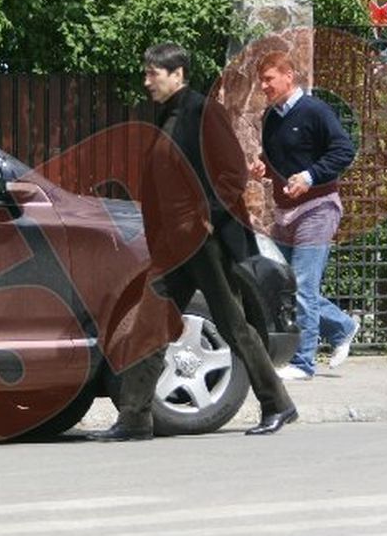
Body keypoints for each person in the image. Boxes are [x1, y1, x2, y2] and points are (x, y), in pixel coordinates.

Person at [88, 43, 298, 441]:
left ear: (178, 74)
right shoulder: (168, 114)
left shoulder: (203, 112)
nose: (146, 81)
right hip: (172, 247)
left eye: (153, 73)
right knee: (149, 327)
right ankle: (135, 418)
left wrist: (206, 221)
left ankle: (277, 404)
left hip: (204, 244)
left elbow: (232, 174)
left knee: (234, 326)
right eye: (147, 72)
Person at [250, 51, 358, 380]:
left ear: (289, 77)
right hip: (285, 212)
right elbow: (277, 157)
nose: (263, 86)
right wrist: (262, 166)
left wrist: (310, 176)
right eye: (261, 80)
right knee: (284, 285)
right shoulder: (271, 117)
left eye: (268, 79)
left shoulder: (316, 110)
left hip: (318, 208)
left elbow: (344, 149)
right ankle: (342, 326)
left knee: (301, 286)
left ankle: (302, 362)